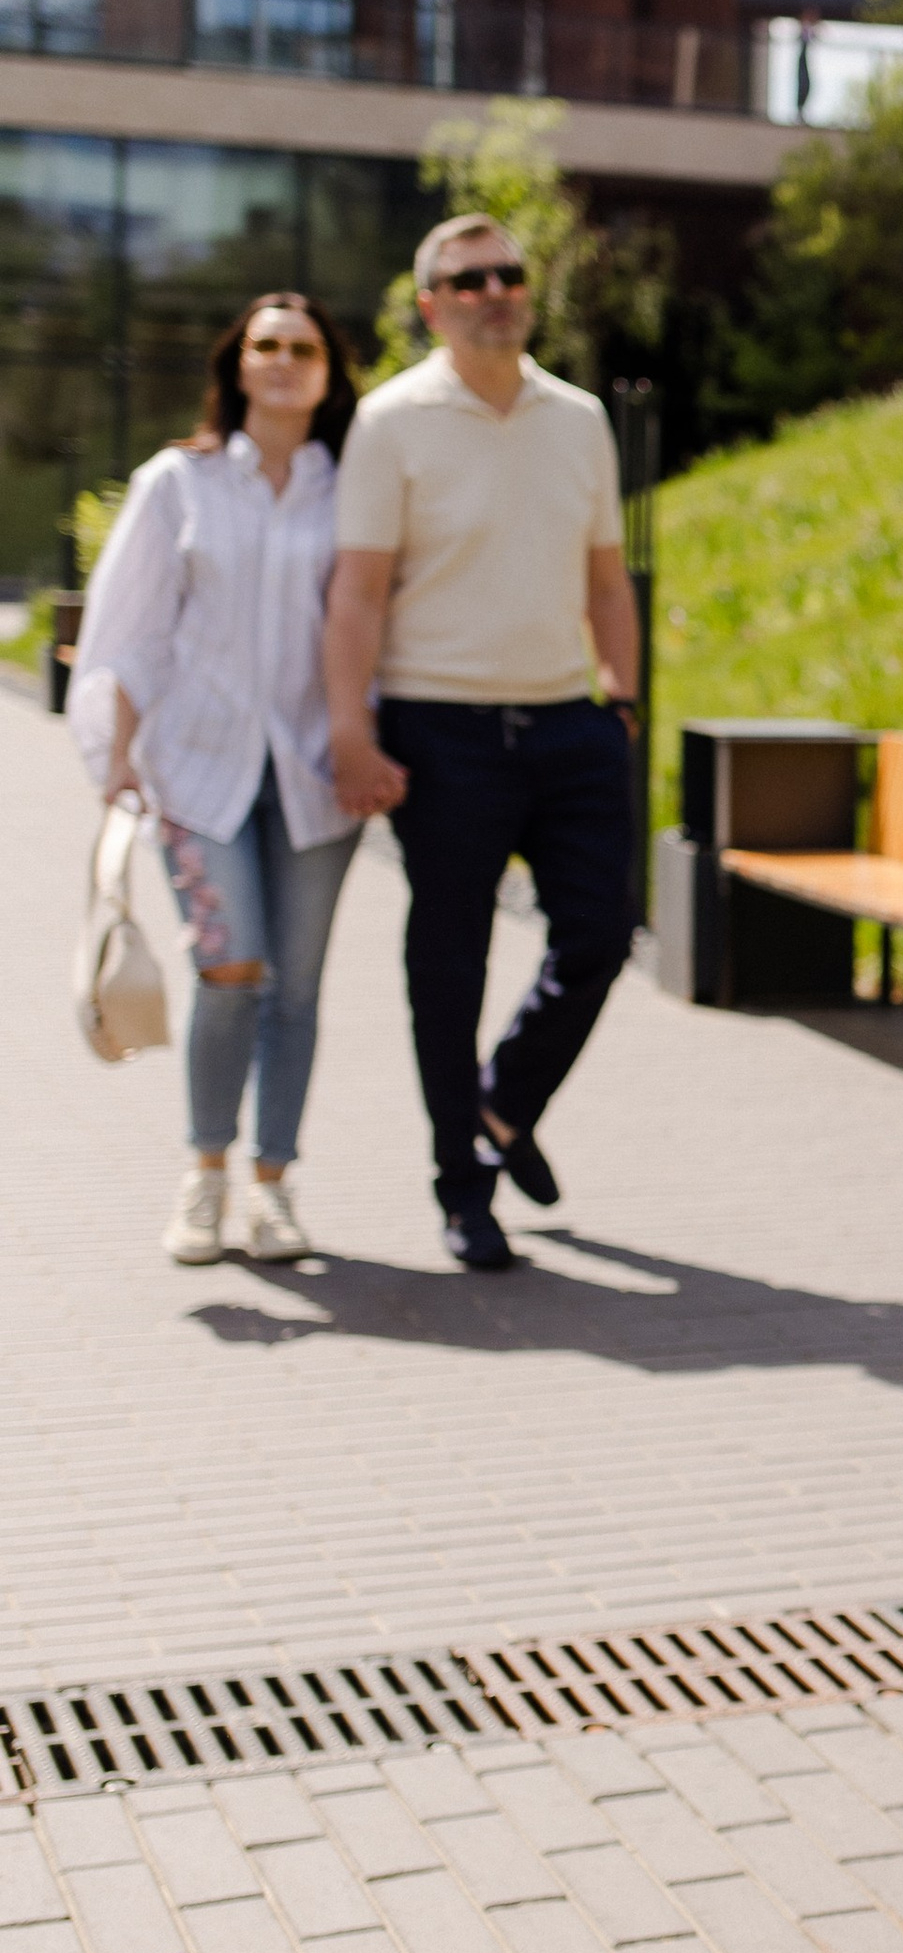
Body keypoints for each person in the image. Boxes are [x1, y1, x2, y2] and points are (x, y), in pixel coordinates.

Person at [324, 213, 640, 1273]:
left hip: (569, 723)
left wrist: (622, 701)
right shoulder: (391, 421)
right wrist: (350, 728)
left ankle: (504, 1103)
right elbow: (357, 593)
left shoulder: (580, 417)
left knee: (600, 932)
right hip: (440, 730)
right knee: (448, 962)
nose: (494, 291)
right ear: (431, 305)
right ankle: (462, 1189)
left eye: (508, 274)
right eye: (468, 281)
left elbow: (607, 575)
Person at [71, 292, 365, 1264]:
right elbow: (129, 629)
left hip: (315, 774)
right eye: (266, 345)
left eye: (304, 348)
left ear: (329, 370)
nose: (284, 361)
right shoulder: (176, 482)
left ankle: (272, 1185)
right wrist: (114, 757)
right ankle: (204, 1174)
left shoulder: (354, 484)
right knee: (230, 968)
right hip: (198, 774)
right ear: (237, 365)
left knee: (298, 987)